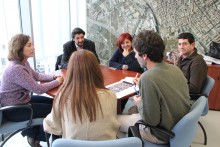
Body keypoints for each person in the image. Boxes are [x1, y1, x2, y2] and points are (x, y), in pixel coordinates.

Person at [117, 30, 191, 144]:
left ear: (145, 56)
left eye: (136, 53)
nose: (135, 56)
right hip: (179, 127)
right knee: (132, 112)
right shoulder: (175, 69)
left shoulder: (147, 78)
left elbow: (151, 121)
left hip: (162, 133)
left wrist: (139, 103)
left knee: (113, 122)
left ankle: (132, 142)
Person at [0, 34, 64, 147]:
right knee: (55, 111)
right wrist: (57, 82)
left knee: (56, 104)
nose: (33, 48)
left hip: (22, 101)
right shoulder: (16, 69)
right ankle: (48, 138)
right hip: (14, 109)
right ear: (19, 48)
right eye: (29, 45)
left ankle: (33, 135)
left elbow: (37, 76)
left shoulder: (23, 62)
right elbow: (37, 89)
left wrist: (53, 77)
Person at [44, 50, 119, 140]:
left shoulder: (63, 96)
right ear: (96, 69)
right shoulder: (111, 95)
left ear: (71, 71)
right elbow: (113, 126)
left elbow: (54, 127)